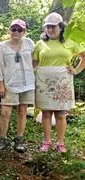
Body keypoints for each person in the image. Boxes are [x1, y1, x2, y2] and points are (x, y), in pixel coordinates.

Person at [33, 12, 85, 153]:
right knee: (46, 113)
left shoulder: (69, 42)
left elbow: (83, 56)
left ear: (61, 27)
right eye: (47, 27)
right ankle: (47, 141)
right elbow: (34, 63)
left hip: (63, 81)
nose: (50, 29)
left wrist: (76, 70)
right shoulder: (40, 44)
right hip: (44, 81)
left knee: (61, 114)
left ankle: (60, 143)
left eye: (53, 26)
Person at [0, 19, 35, 152]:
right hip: (9, 84)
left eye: (19, 29)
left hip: (27, 83)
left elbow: (36, 60)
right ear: (9, 30)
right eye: (13, 29)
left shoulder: (30, 43)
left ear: (24, 32)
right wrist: (0, 85)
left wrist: (31, 72)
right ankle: (2, 139)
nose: (16, 32)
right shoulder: (2, 46)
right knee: (5, 112)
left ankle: (19, 139)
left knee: (22, 111)